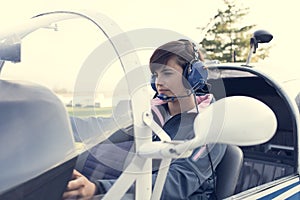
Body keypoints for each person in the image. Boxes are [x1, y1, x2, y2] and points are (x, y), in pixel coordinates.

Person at [63, 40, 227, 200]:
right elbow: (103, 128)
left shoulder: (210, 127)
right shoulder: (150, 114)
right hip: (142, 191)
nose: (159, 82)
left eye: (167, 73)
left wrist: (98, 189)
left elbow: (177, 180)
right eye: (156, 75)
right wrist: (58, 125)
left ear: (193, 75)